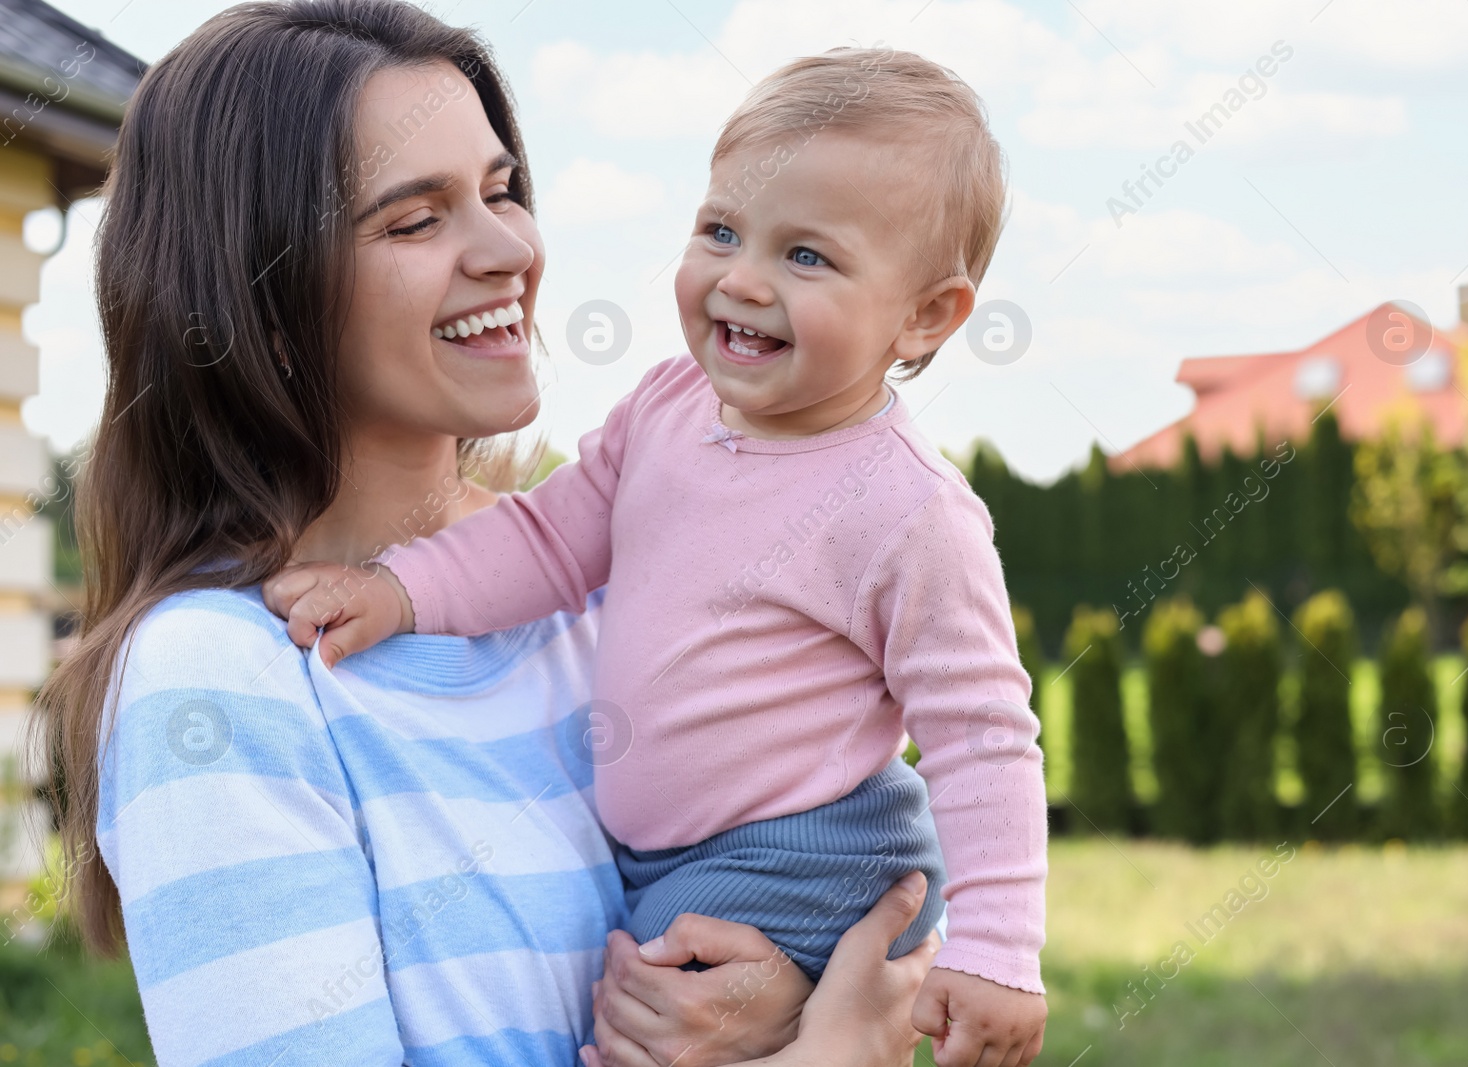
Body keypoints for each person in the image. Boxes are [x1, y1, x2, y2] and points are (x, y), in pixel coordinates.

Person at [33, 4, 937, 1065]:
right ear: (258, 309)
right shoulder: (222, 679)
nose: (510, 248)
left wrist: (797, 982)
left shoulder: (605, 587)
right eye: (415, 221)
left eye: (502, 192)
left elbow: (877, 874)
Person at [267, 47, 1048, 1067]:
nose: (742, 278)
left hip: (805, 853)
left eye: (806, 256)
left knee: (639, 1030)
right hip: (670, 851)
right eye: (721, 230)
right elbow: (547, 537)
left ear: (925, 315)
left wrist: (997, 948)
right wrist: (401, 589)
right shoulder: (668, 407)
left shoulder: (910, 511)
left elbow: (983, 735)